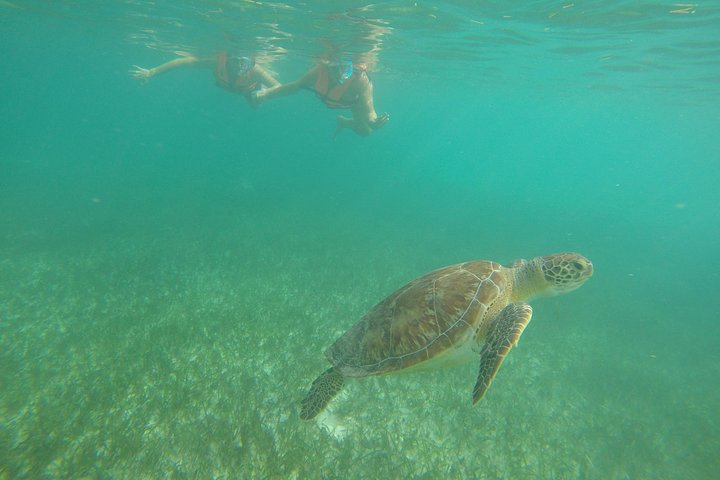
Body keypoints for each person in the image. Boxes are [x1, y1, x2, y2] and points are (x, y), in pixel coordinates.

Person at [253, 57, 389, 136]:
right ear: (328, 67)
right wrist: (267, 94)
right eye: (335, 68)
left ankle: (345, 122)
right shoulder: (318, 72)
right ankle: (345, 122)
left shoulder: (360, 81)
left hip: (352, 103)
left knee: (366, 132)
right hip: (332, 99)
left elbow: (369, 110)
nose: (340, 75)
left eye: (346, 70)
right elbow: (295, 86)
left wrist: (373, 121)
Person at [130, 51, 280, 104]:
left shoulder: (255, 71)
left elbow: (278, 86)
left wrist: (265, 93)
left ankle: (262, 87)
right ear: (228, 58)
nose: (240, 65)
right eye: (236, 60)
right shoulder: (216, 63)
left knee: (255, 105)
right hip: (228, 87)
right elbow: (184, 61)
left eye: (245, 62)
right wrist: (152, 72)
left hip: (249, 90)